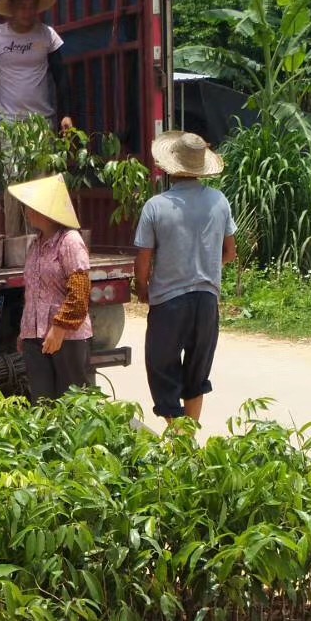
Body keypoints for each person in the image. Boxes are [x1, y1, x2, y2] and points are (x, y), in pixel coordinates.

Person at [133, 131, 236, 425]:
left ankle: (178, 436)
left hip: (169, 303)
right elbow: (230, 252)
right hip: (207, 301)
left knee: (161, 368)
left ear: (170, 166)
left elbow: (142, 261)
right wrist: (204, 266)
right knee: (196, 372)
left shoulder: (156, 206)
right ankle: (188, 440)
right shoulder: (219, 201)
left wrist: (143, 290)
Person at [7, 173, 91, 401]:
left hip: (67, 337)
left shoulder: (70, 241)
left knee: (72, 403)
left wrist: (60, 328)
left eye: (31, 207)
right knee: (42, 404)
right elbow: (32, 292)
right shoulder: (36, 245)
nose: (27, 212)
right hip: (35, 337)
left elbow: (80, 290)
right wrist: (26, 331)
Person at [0, 0, 72, 132]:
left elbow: (61, 77)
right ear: (12, 8)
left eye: (31, 6)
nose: (27, 12)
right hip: (9, 124)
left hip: (42, 121)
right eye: (22, 6)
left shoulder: (48, 34)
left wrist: (66, 114)